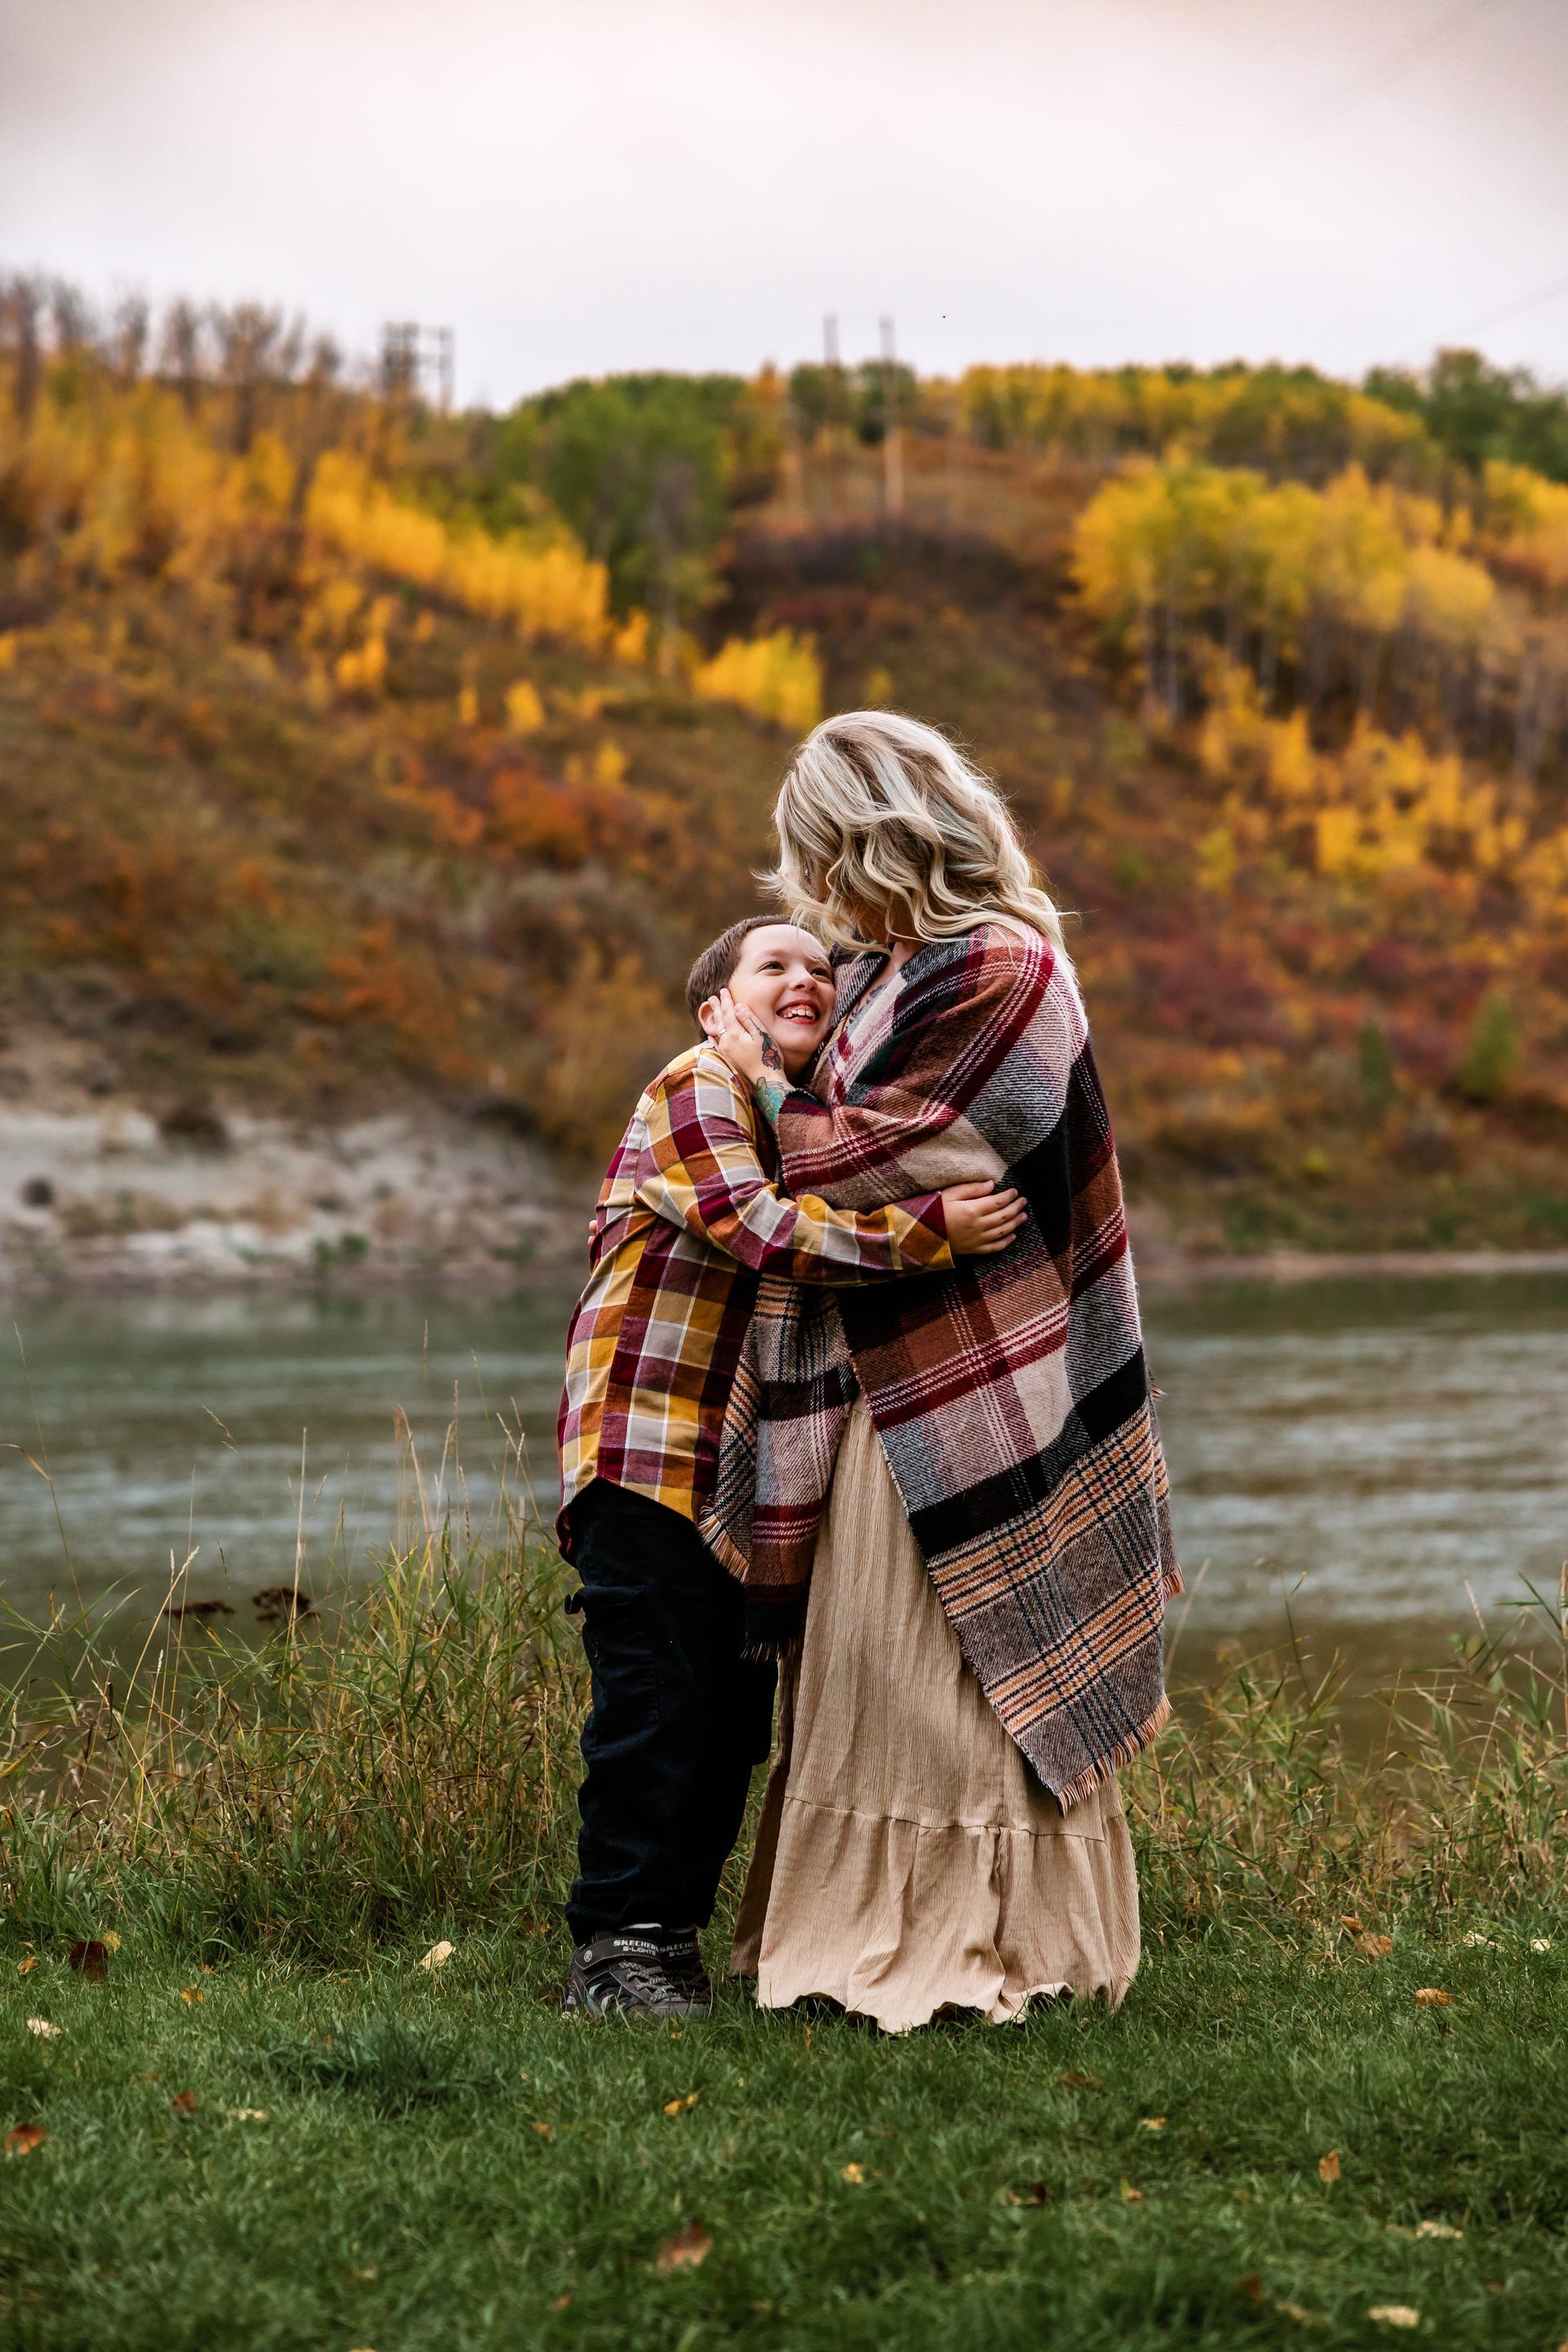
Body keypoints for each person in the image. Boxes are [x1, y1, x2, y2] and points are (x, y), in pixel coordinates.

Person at [703, 711, 1180, 2034]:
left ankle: (980, 1941)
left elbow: (905, 1155)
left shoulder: (1007, 968)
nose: (811, 888)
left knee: (958, 1678)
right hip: (872, 1376)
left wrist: (764, 1095)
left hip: (984, 1381)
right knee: (875, 1675)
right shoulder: (876, 972)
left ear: (872, 841)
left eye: (817, 856)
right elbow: (836, 1147)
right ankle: (851, 1931)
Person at [555, 913, 1027, 2019]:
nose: (806, 979)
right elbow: (760, 1229)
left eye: (821, 969)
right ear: (716, 1006)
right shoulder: (697, 1087)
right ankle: (614, 1953)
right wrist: (931, 1233)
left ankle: (668, 1949)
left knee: (729, 1724)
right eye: (773, 966)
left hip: (739, 1478)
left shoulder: (797, 1125)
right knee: (655, 1706)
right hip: (648, 1448)